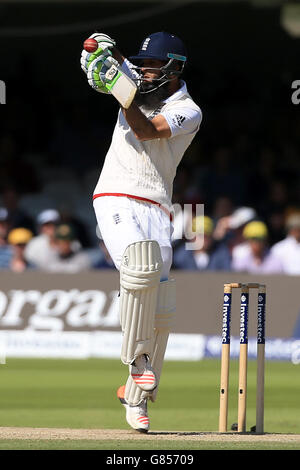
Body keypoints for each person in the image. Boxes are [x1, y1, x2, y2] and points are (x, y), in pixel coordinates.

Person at [81, 31, 202, 432]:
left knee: (162, 309)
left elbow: (149, 129)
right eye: (142, 65)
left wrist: (118, 85)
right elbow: (114, 62)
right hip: (115, 195)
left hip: (158, 207)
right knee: (138, 265)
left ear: (174, 69)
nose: (145, 71)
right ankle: (137, 360)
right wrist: (102, 48)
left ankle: (136, 401)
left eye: (153, 65)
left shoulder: (189, 109)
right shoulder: (135, 81)